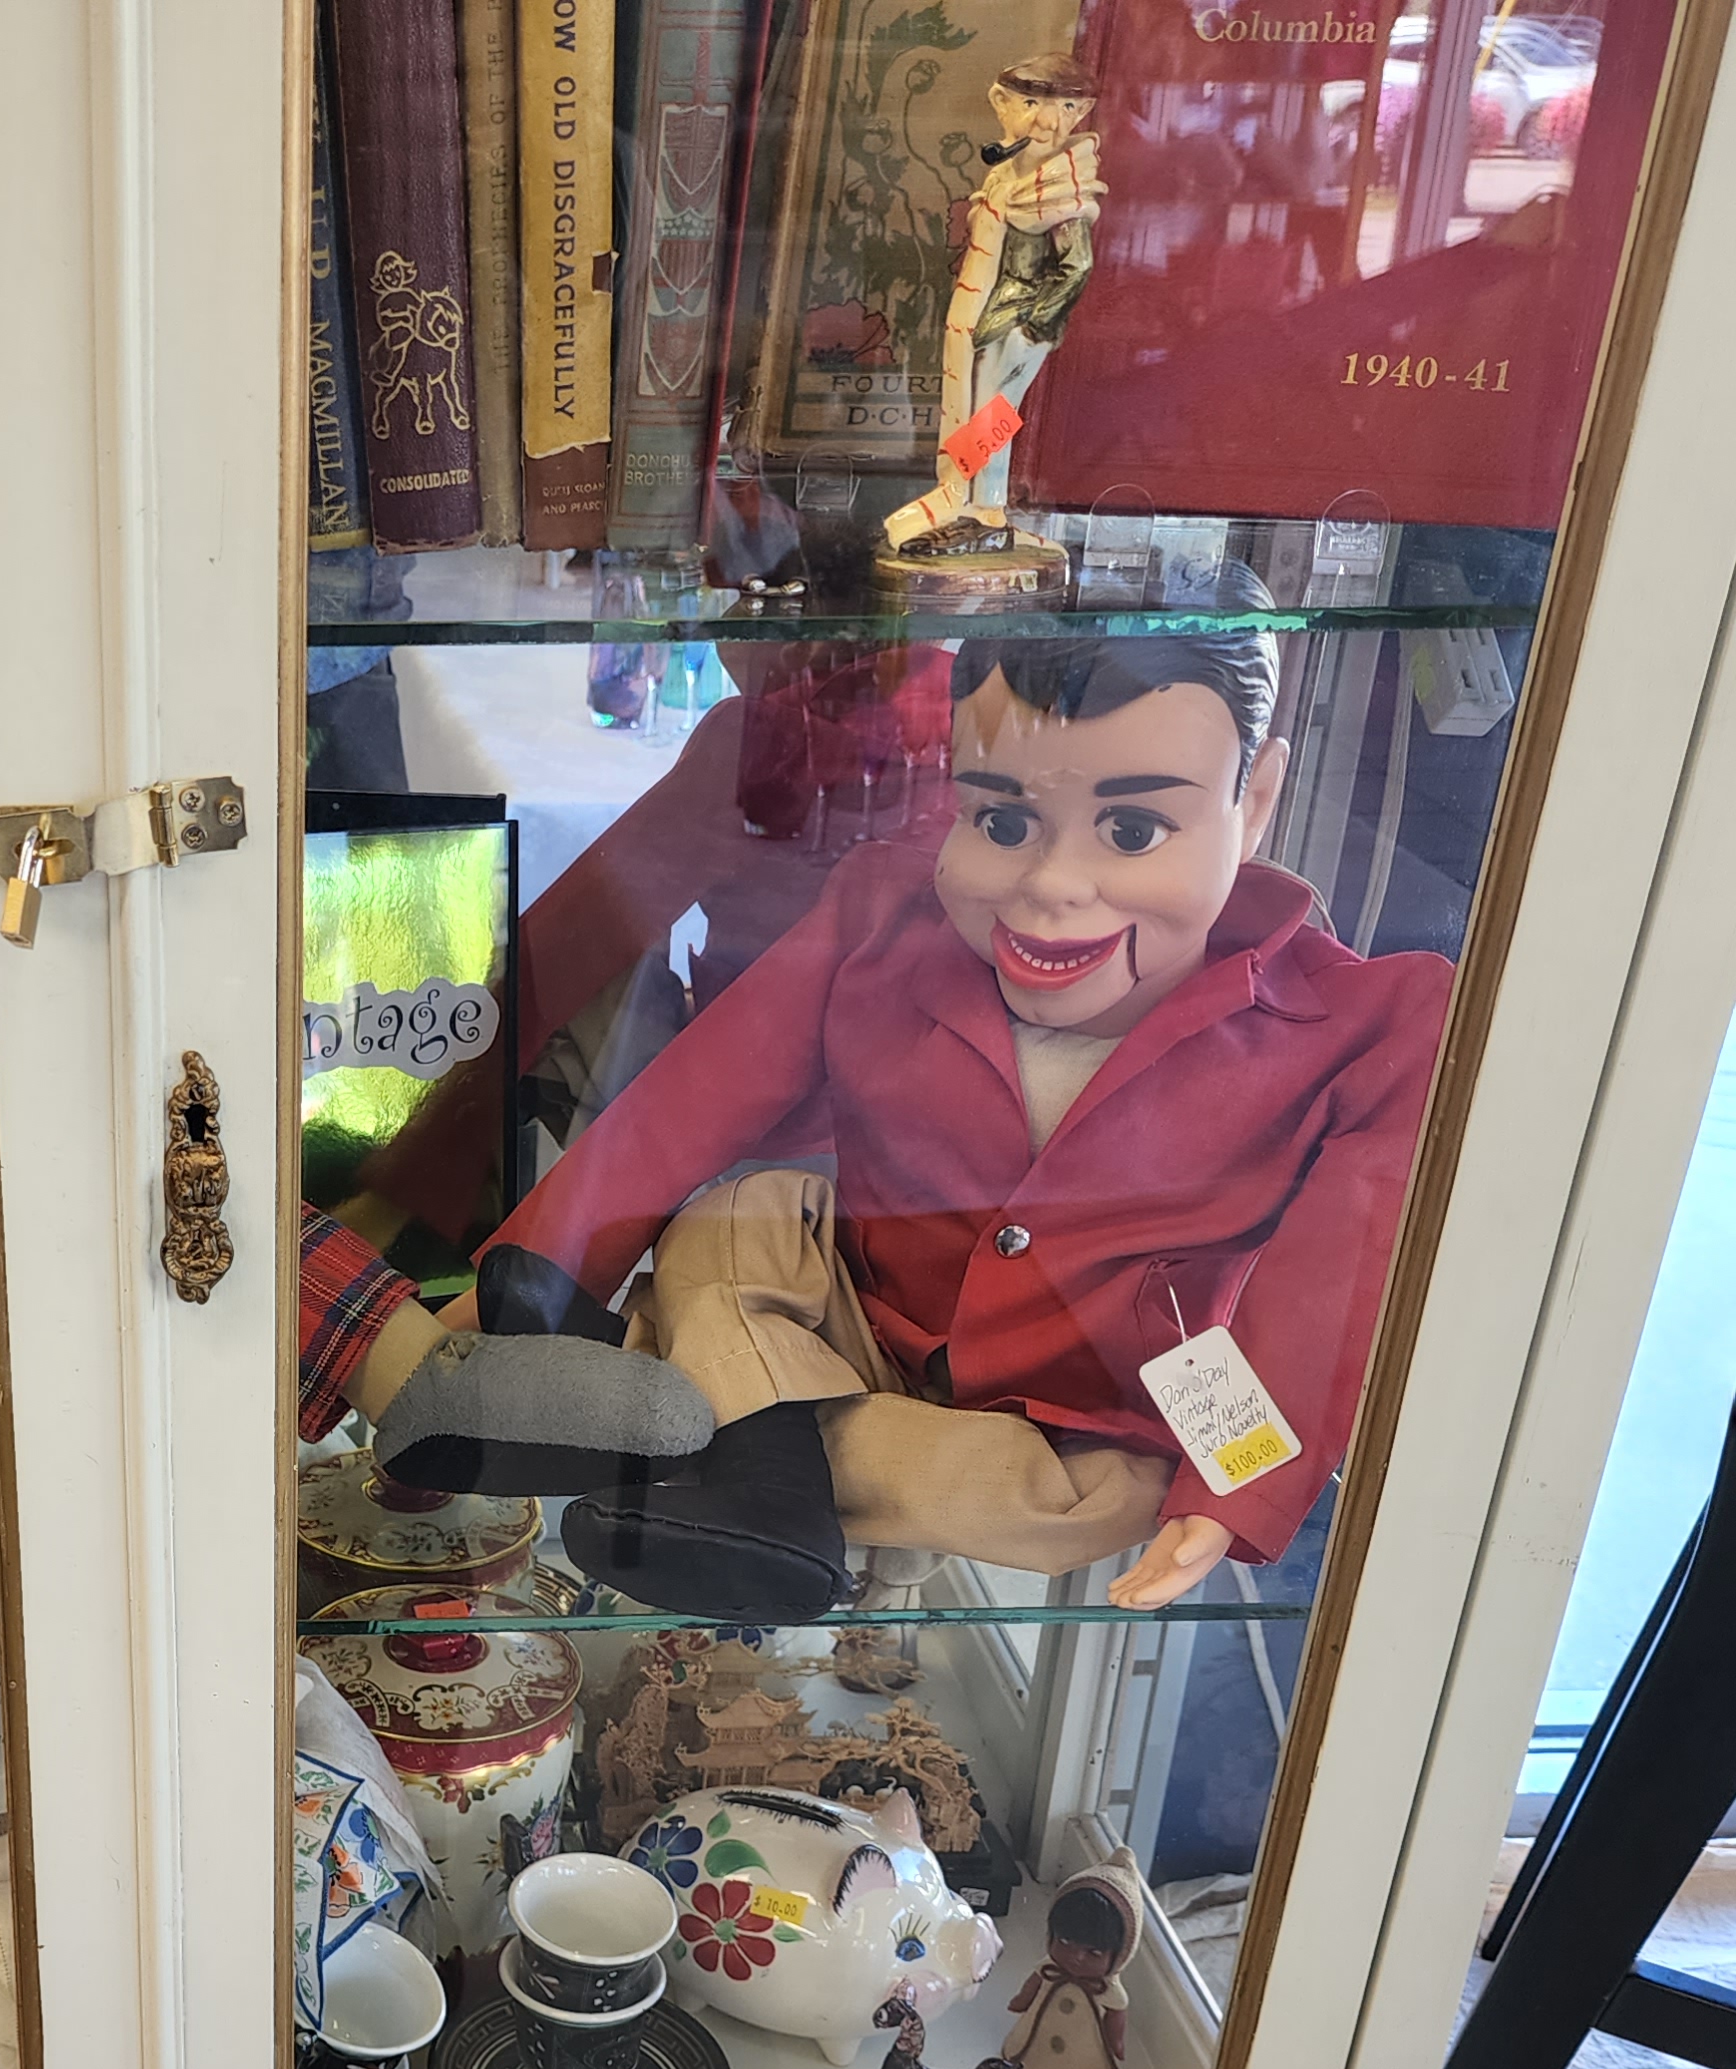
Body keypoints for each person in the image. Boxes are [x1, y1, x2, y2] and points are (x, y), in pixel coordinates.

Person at [381, 602, 1454, 1624]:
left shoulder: (1370, 1024)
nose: (1053, 884)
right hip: (860, 1319)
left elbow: (1326, 1295)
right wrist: (533, 1274)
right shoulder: (879, 911)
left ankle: (719, 1448)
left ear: (1254, 802)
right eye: (1002, 821)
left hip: (1079, 1412)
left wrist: (1231, 1494)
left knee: (1080, 1501)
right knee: (738, 1216)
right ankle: (733, 1458)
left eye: (1133, 829)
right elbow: (686, 1106)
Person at [882, 54, 1106, 559]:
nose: (1047, 122)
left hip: (1017, 317)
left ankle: (985, 510)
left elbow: (1077, 266)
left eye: (1066, 108)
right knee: (973, 411)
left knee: (992, 414)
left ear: (1082, 113)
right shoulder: (1008, 177)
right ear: (1001, 104)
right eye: (1031, 104)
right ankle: (964, 499)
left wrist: (1034, 326)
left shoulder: (1061, 190)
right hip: (984, 315)